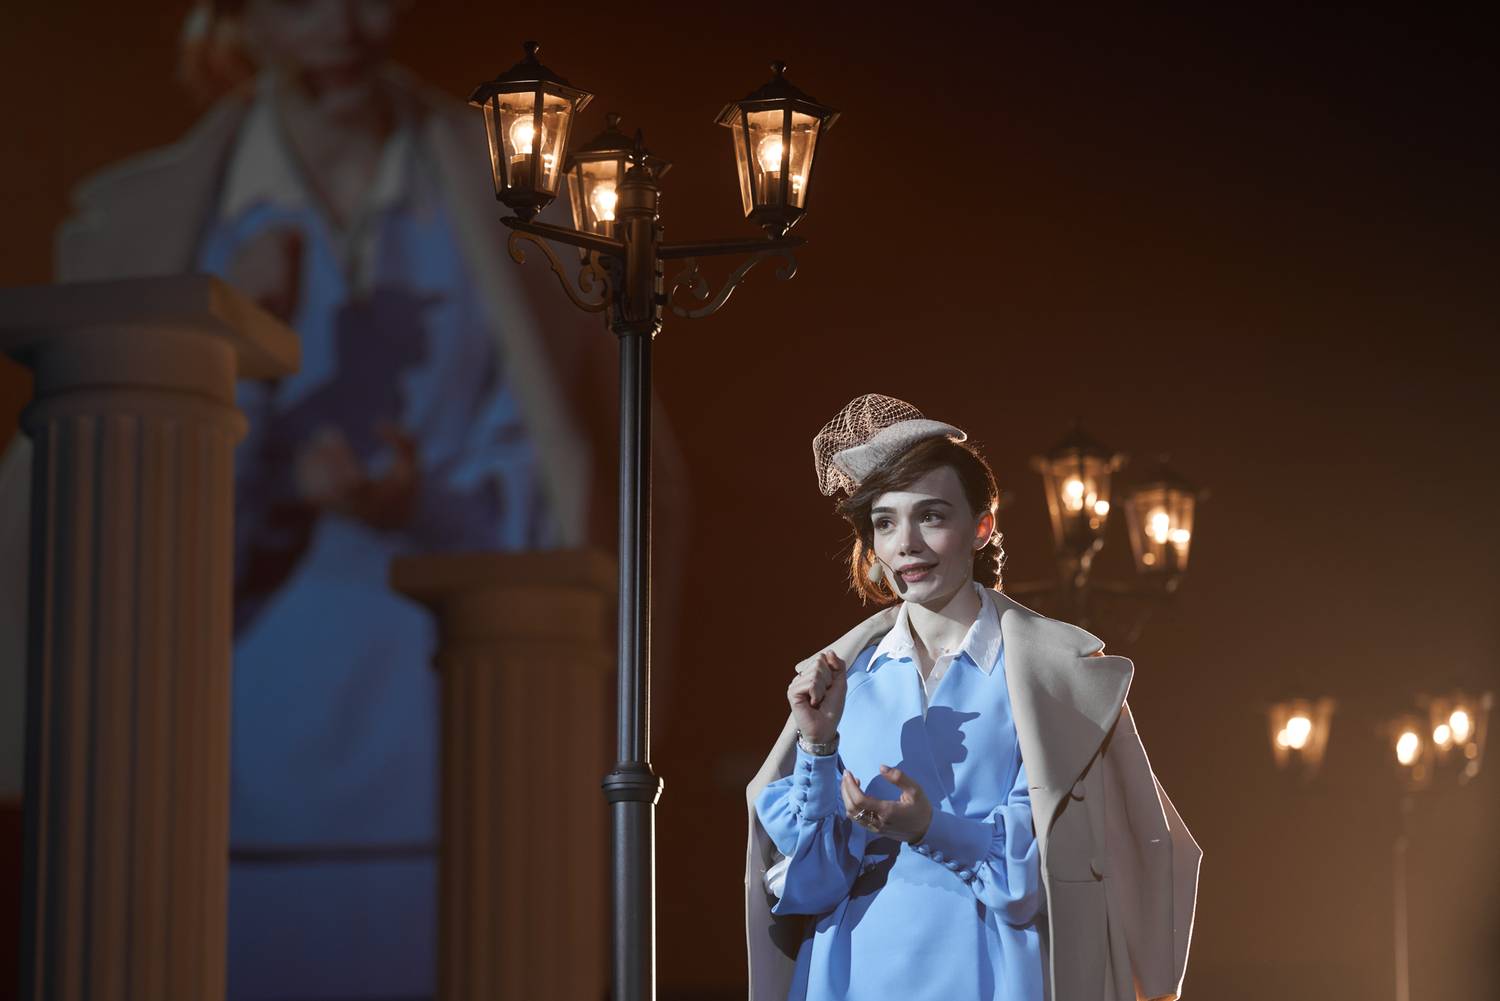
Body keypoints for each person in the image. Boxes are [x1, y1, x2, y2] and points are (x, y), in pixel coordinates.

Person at [0, 2, 686, 997]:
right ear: (236, 17)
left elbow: (572, 462)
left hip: (468, 719)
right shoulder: (139, 219)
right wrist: (228, 357)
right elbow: (108, 512)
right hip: (225, 733)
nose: (343, 22)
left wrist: (419, 505)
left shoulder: (525, 185)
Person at [744, 394, 1200, 1001]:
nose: (906, 544)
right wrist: (818, 745)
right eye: (885, 522)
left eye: (931, 516)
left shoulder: (1049, 679)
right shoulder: (846, 681)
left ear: (982, 527)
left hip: (995, 971)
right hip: (855, 975)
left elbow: (1046, 876)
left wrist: (929, 827)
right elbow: (809, 885)